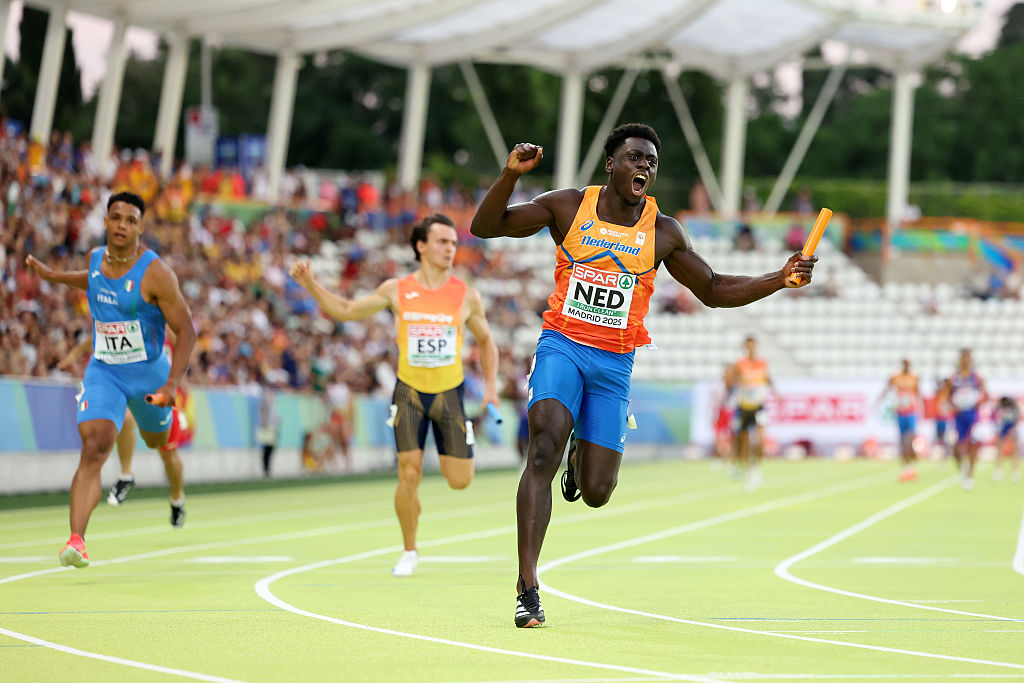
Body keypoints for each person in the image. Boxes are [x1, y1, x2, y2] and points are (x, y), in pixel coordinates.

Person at [470, 123, 817, 628]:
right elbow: (486, 226)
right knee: (541, 444)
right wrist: (509, 175)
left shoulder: (663, 232)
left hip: (613, 364)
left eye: (651, 162)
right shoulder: (567, 206)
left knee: (596, 492)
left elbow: (715, 289)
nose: (644, 167)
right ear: (611, 164)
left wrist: (778, 279)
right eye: (635, 158)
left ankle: (580, 453)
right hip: (562, 345)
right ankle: (528, 587)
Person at [290, 213, 499, 578]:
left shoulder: (466, 295)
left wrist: (492, 387)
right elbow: (345, 310)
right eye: (442, 241)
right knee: (408, 473)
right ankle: (409, 550)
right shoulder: (396, 289)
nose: (450, 249)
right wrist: (311, 284)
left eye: (453, 243)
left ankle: (455, 455)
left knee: (459, 480)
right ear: (421, 245)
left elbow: (486, 341)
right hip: (409, 394)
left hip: (449, 395)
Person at [25, 191, 196, 567]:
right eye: (116, 217)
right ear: (105, 221)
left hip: (150, 374)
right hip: (105, 370)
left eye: (131, 220)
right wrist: (52, 275)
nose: (122, 225)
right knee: (94, 445)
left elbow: (187, 331)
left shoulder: (156, 273)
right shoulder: (95, 260)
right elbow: (91, 280)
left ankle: (175, 469)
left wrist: (171, 385)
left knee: (159, 443)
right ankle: (77, 541)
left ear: (141, 227)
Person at [58, 333, 189, 525]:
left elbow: (186, 343)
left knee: (168, 455)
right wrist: (77, 352)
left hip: (161, 390)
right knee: (126, 419)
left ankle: (177, 498)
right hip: (129, 383)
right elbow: (103, 333)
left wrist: (179, 381)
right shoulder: (130, 314)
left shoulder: (167, 317)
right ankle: (126, 475)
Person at [730, 336, 776, 491]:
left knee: (761, 439)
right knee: (743, 440)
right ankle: (746, 470)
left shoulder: (762, 363)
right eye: (748, 346)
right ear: (745, 347)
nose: (751, 348)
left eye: (753, 345)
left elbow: (767, 378)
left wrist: (775, 391)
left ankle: (756, 468)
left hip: (758, 406)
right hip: (743, 406)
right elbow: (731, 381)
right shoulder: (739, 364)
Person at [940, 349, 988, 490]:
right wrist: (952, 404)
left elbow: (985, 394)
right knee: (957, 446)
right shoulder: (953, 378)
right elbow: (946, 396)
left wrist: (977, 400)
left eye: (967, 358)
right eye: (963, 358)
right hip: (958, 415)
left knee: (973, 444)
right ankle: (963, 467)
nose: (965, 361)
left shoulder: (976, 378)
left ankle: (970, 475)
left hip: (973, 414)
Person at [879, 359, 920, 482]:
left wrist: (921, 408)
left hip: (911, 413)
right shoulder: (896, 377)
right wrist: (880, 399)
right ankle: (905, 468)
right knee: (902, 441)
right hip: (900, 412)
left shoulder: (914, 378)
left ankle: (911, 465)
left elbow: (918, 393)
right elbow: (887, 388)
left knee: (909, 440)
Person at [992, 396, 1021, 483]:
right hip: (1002, 427)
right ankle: (998, 470)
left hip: (1012, 427)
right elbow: (995, 416)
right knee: (999, 449)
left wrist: (1012, 428)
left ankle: (1015, 471)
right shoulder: (1000, 405)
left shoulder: (1013, 404)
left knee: (1015, 450)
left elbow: (1018, 416)